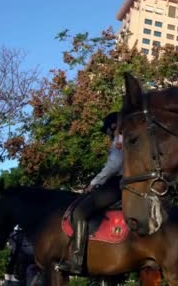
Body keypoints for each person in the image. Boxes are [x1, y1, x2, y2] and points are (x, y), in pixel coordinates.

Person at [56, 112, 123, 274]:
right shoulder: (129, 139)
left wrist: (93, 183)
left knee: (79, 212)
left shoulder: (119, 141)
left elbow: (113, 167)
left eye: (107, 130)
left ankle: (76, 261)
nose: (107, 134)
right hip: (119, 183)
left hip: (116, 185)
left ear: (112, 127)